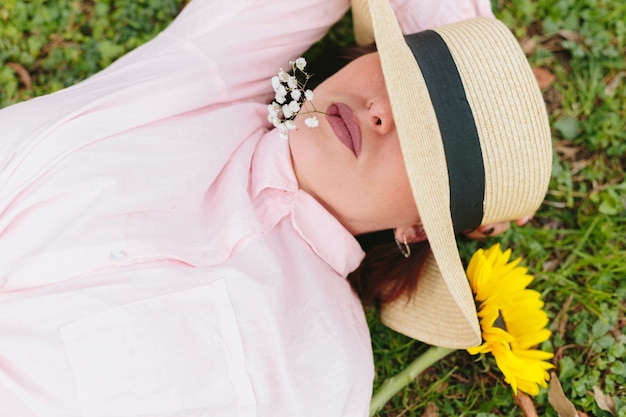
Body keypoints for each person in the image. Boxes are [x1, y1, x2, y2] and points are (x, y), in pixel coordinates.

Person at [0, 0, 551, 416]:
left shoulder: (325, 361)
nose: (380, 109)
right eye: (399, 68)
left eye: (427, 140)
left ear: (419, 228)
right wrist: (452, 32)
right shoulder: (208, 80)